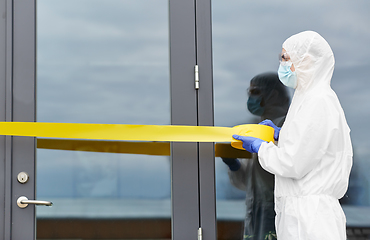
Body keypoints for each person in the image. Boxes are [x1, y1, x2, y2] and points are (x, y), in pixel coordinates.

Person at [233, 31, 353, 240]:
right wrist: (283, 136)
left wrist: (261, 147)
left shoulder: (318, 101)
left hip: (311, 220)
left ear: (305, 60)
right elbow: (307, 146)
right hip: (301, 214)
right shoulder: (307, 98)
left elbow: (292, 163)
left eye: (285, 58)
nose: (282, 65)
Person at [222, 72, 290, 240]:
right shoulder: (257, 130)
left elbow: (291, 166)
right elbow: (249, 183)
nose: (250, 98)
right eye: (249, 92)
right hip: (258, 212)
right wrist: (234, 165)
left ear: (272, 94)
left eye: (255, 92)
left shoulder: (288, 126)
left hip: (279, 212)